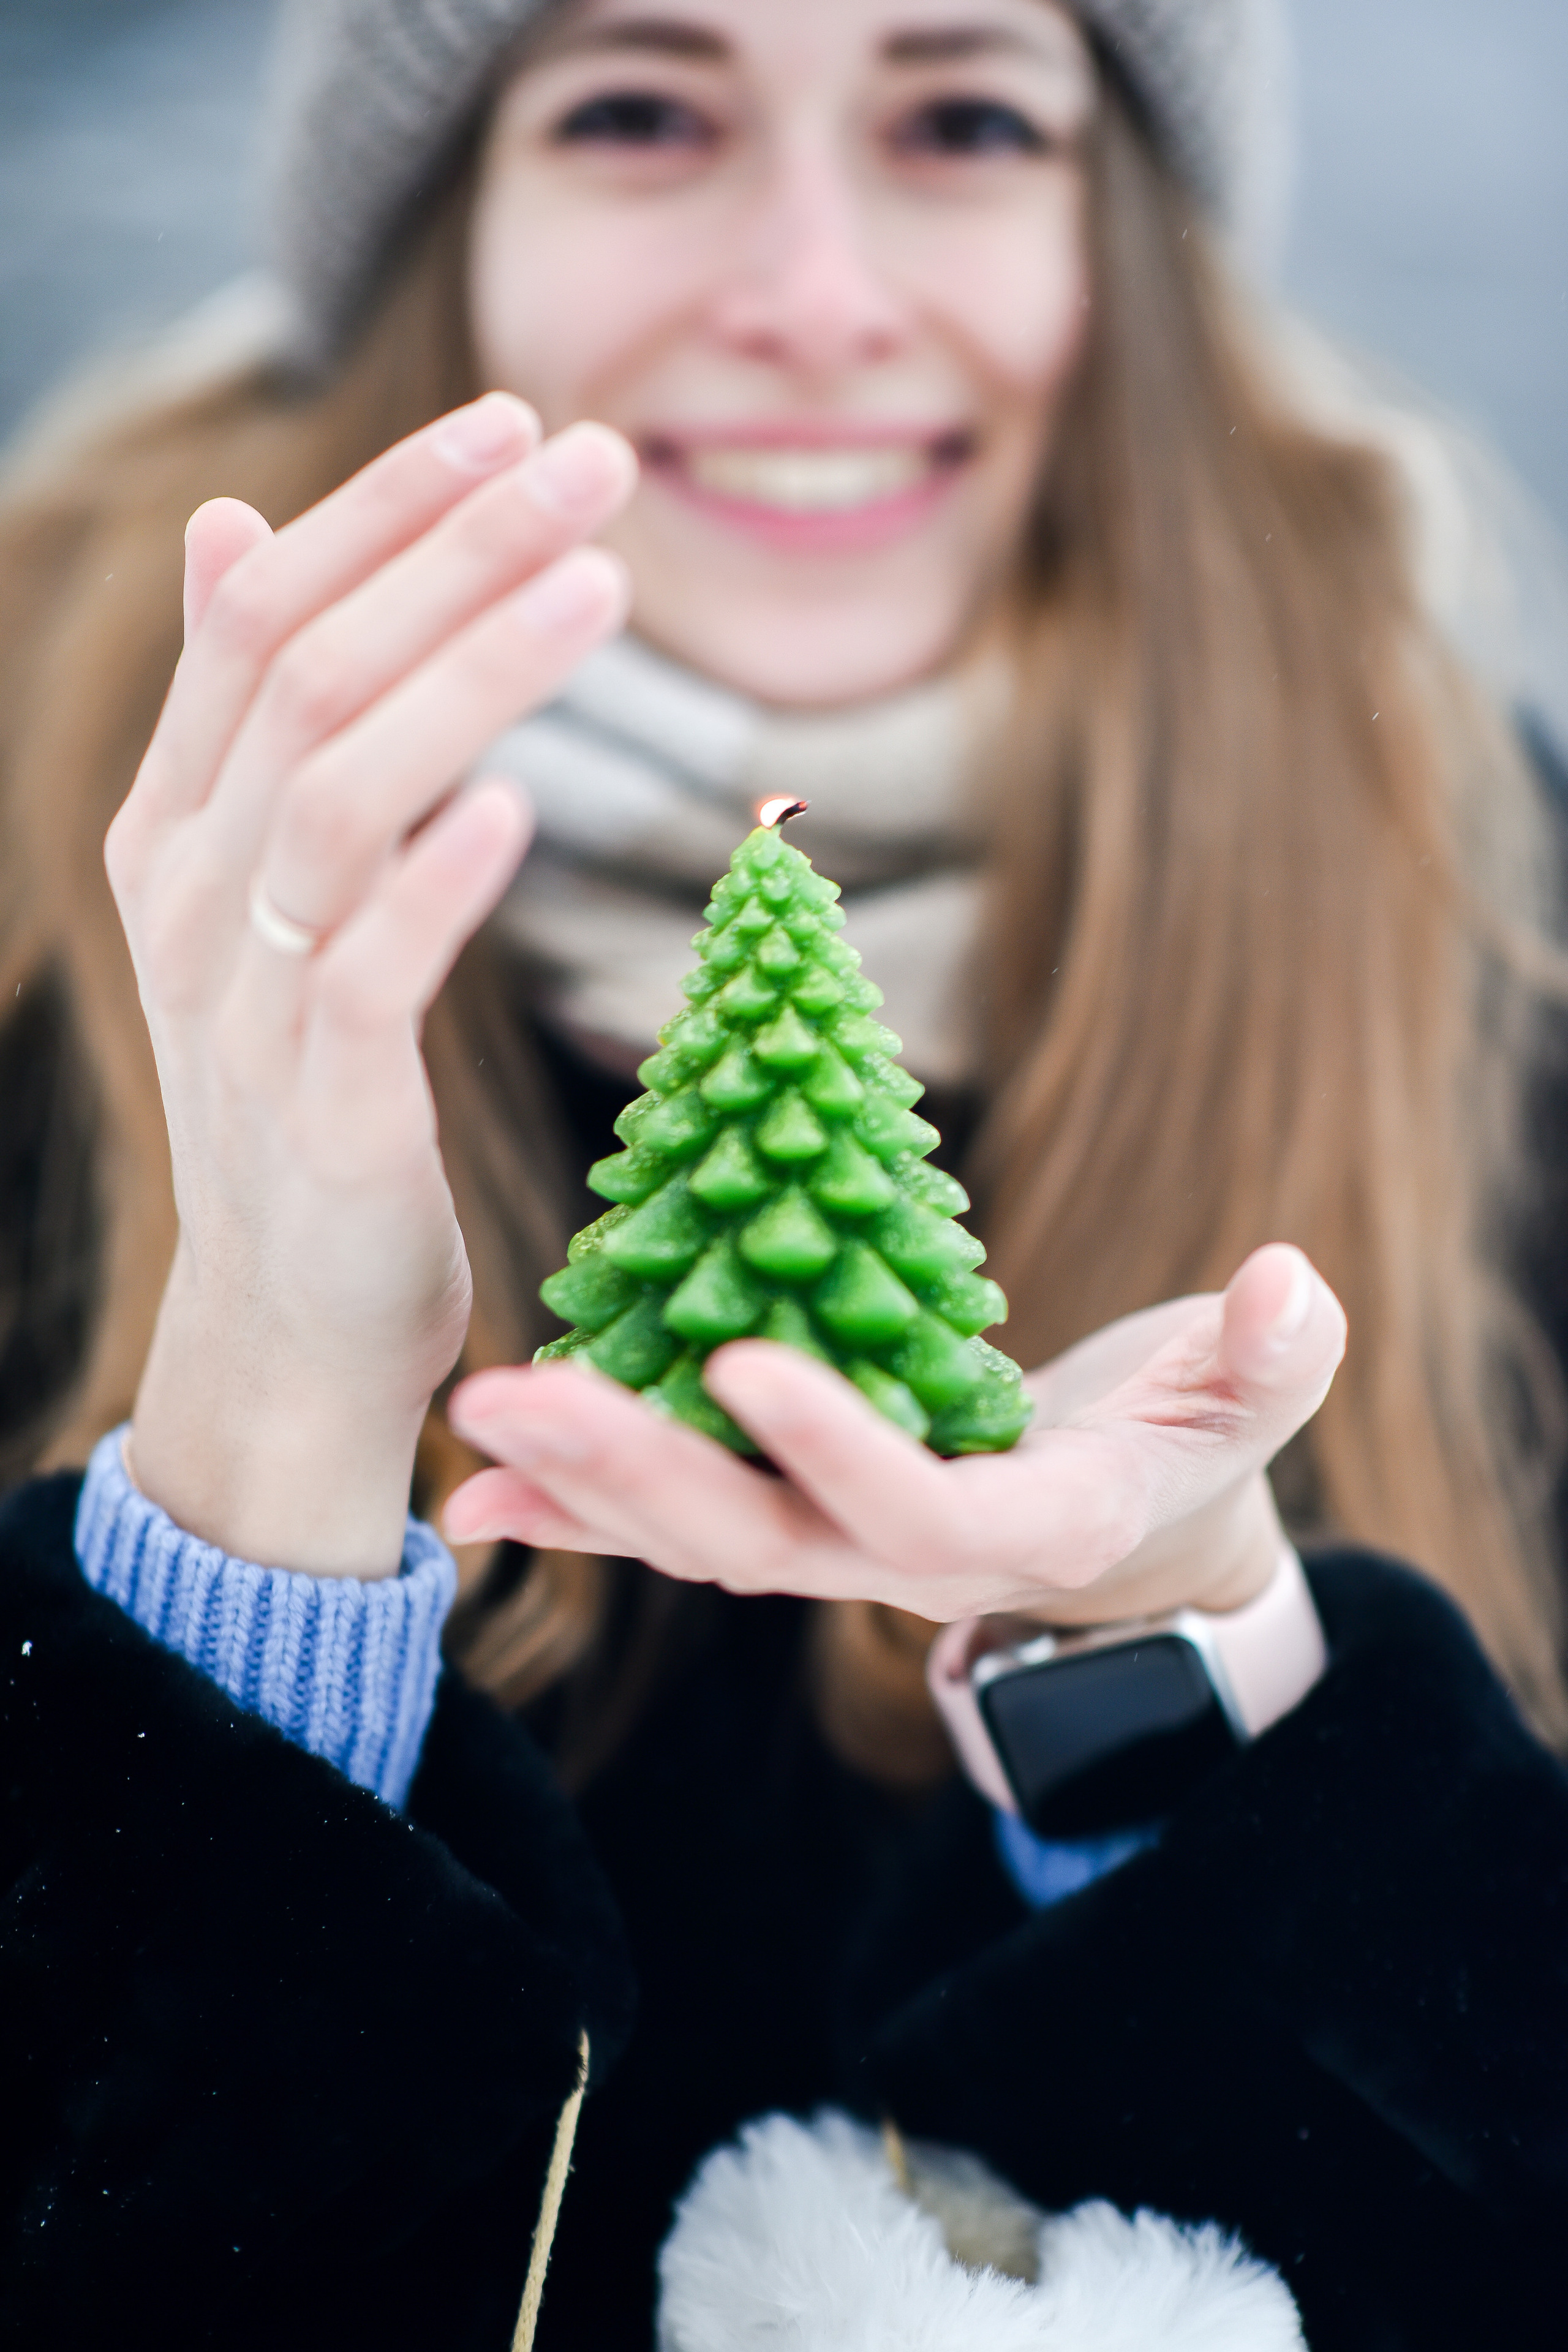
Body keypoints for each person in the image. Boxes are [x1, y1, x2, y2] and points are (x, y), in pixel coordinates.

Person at [2, 1, 1567, 2344]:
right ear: (447, 236)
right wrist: (257, 1459)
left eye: (962, 115)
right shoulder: (40, 923)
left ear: (1114, 243)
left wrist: (1164, 1661)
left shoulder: (1498, 948)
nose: (815, 290)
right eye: (641, 106)